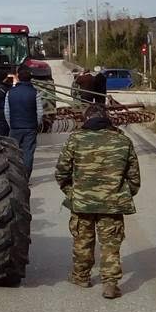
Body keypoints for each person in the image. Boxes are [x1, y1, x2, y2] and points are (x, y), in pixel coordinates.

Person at [55, 104, 140, 299]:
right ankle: (110, 284)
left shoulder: (75, 139)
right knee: (110, 243)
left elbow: (61, 172)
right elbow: (134, 179)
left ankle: (81, 276)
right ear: (107, 119)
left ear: (86, 119)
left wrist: (73, 193)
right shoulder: (123, 141)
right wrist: (120, 195)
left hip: (81, 203)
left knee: (82, 241)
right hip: (112, 204)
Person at [5, 67, 43, 178]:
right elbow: (40, 113)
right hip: (30, 128)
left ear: (18, 78)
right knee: (28, 152)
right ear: (30, 79)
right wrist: (36, 125)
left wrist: (11, 125)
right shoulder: (35, 93)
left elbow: (6, 112)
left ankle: (14, 175)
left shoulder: (10, 93)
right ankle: (25, 176)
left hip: (15, 127)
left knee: (13, 152)